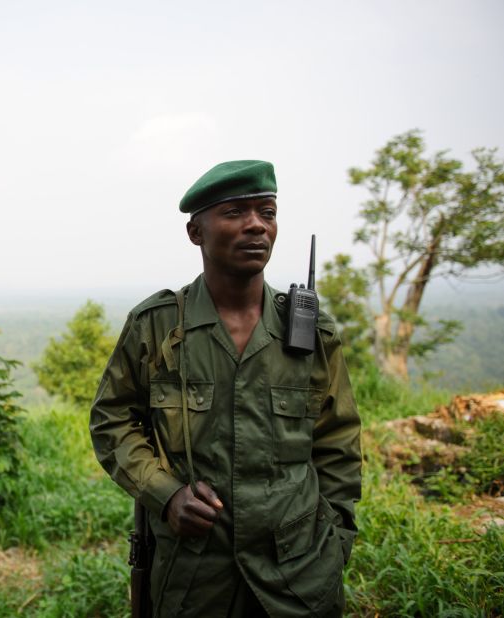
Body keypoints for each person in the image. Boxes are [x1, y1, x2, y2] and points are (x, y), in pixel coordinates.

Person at [90, 160, 362, 617]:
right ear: (196, 232)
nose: (256, 225)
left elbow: (338, 443)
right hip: (193, 578)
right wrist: (165, 493)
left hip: (299, 579)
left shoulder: (312, 334)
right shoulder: (156, 328)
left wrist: (335, 544)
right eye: (235, 212)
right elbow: (111, 420)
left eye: (267, 211)